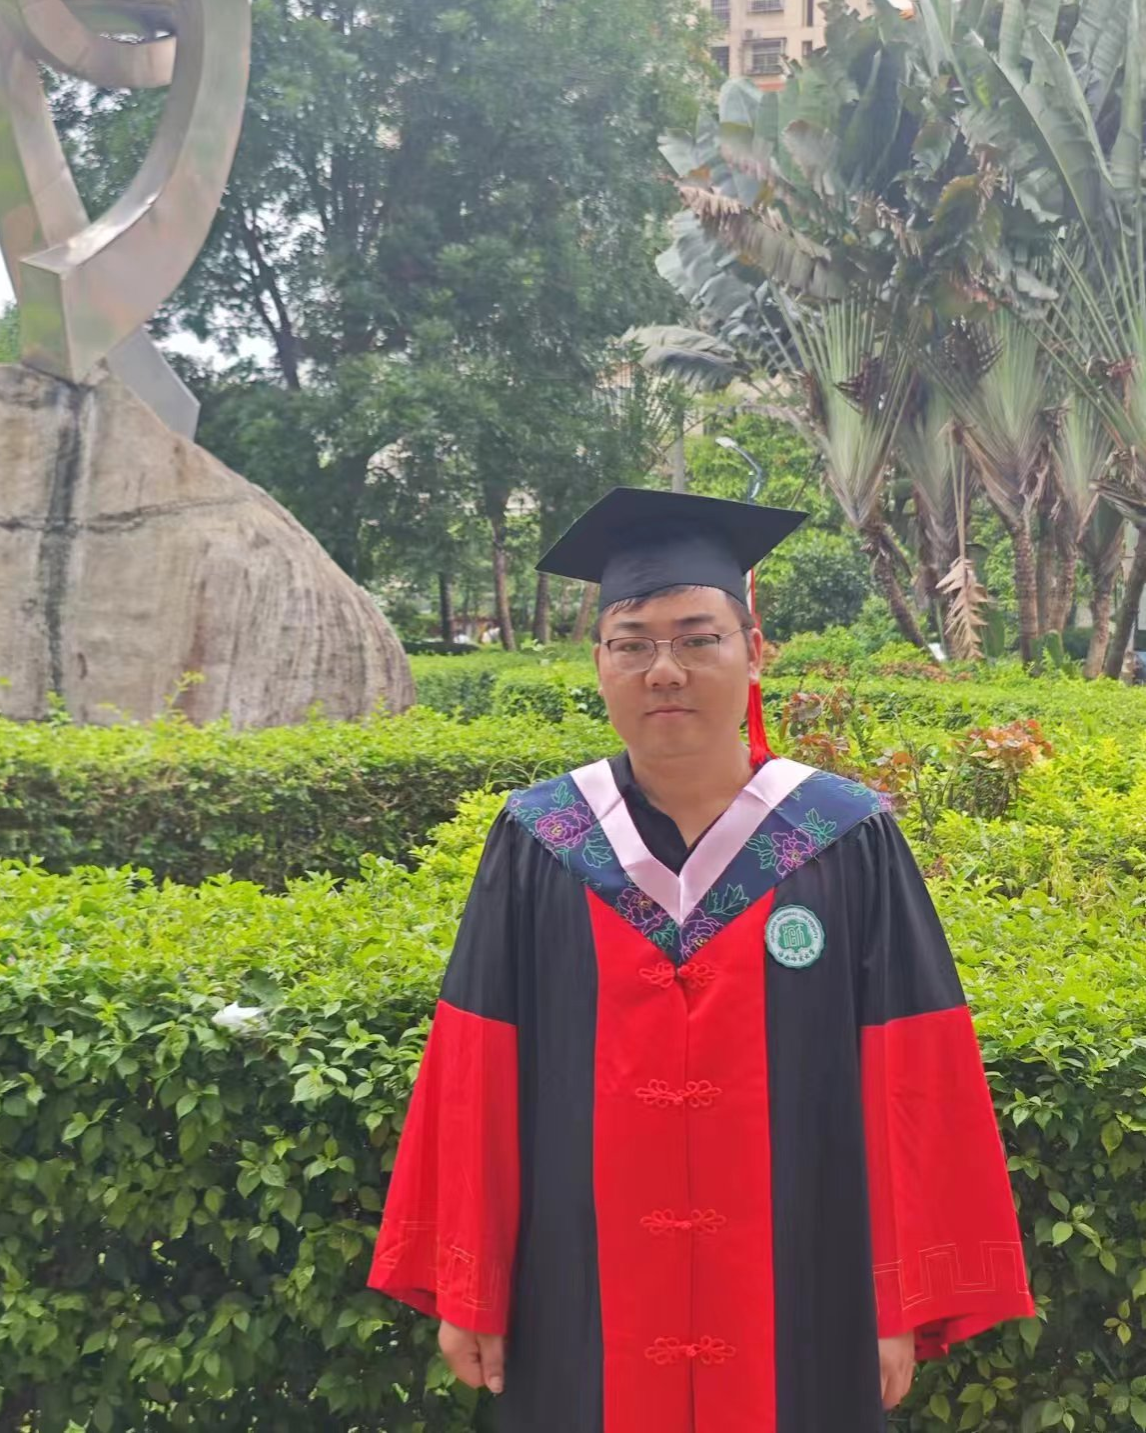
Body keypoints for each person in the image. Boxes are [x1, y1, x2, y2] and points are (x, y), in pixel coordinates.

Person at [369, 488, 1033, 1433]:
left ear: (755, 653)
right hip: (574, 1293)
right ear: (598, 663)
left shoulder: (846, 837)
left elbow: (915, 1073)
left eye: (697, 639)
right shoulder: (540, 838)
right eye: (632, 644)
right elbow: (476, 1070)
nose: (665, 670)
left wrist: (899, 1305)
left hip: (809, 1294)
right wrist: (470, 1290)